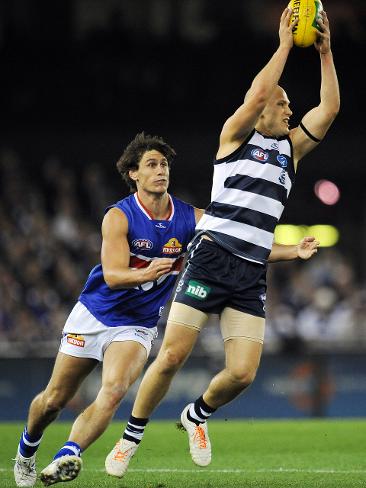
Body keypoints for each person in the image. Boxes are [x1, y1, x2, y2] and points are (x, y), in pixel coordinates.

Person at [104, 6, 339, 477]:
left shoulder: (291, 151)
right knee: (171, 356)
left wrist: (326, 53)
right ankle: (131, 438)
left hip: (250, 271)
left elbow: (329, 109)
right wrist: (284, 46)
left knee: (243, 373)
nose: (290, 110)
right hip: (210, 259)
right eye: (284, 103)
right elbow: (256, 93)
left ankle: (196, 415)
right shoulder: (234, 138)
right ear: (264, 108)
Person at [13, 131, 316, 487]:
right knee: (53, 400)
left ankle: (68, 454)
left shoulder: (189, 217)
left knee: (112, 392)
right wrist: (148, 271)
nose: (161, 171)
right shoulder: (119, 216)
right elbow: (111, 276)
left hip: (137, 324)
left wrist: (291, 250)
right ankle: (27, 451)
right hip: (94, 315)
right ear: (134, 174)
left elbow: (245, 241)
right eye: (151, 165)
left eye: (164, 164)